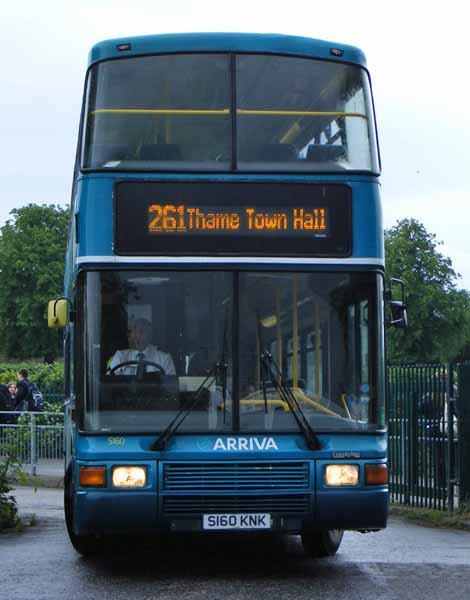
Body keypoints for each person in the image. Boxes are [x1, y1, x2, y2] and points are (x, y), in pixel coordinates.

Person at [109, 318, 176, 376]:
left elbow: (170, 386)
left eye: (141, 331)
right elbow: (110, 383)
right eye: (132, 331)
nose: (135, 335)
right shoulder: (120, 356)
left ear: (150, 335)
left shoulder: (164, 359)